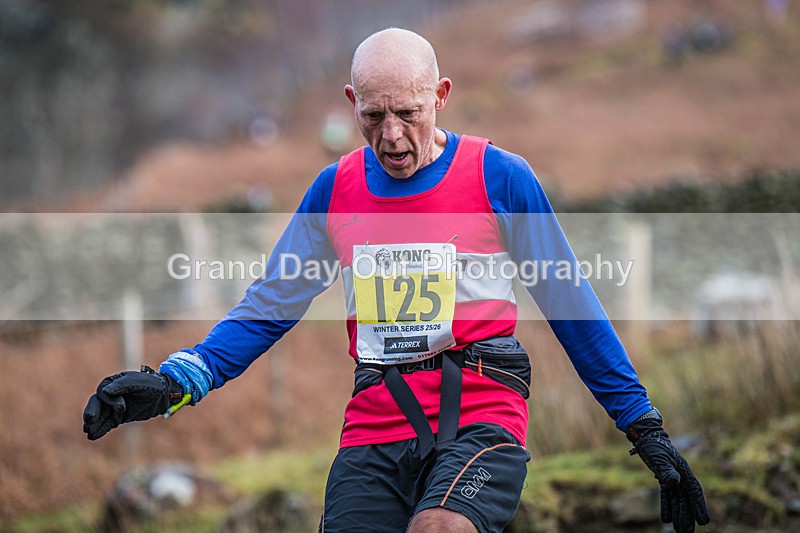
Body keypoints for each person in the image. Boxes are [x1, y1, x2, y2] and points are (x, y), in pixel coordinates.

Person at [83, 28, 710, 533]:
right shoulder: (334, 191)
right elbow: (268, 306)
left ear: (440, 95)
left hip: (482, 413)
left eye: (408, 113)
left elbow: (573, 306)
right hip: (375, 423)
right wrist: (173, 384)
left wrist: (644, 429)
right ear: (352, 103)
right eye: (375, 115)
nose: (391, 136)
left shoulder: (501, 178)